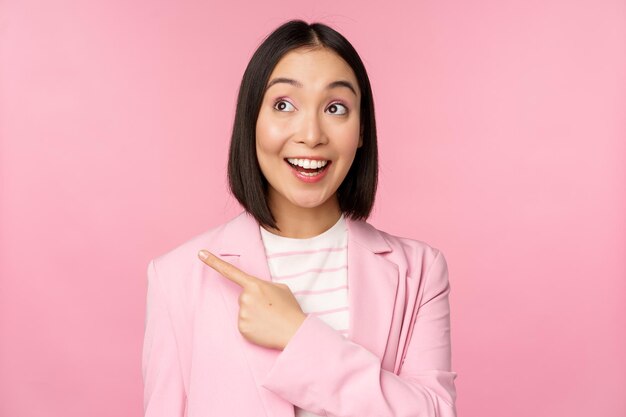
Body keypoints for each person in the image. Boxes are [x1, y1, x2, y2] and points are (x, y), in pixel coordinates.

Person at [142, 19, 458, 417]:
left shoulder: (420, 271)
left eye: (335, 108)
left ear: (361, 130)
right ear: (251, 120)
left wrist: (298, 336)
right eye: (283, 105)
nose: (311, 134)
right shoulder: (176, 278)